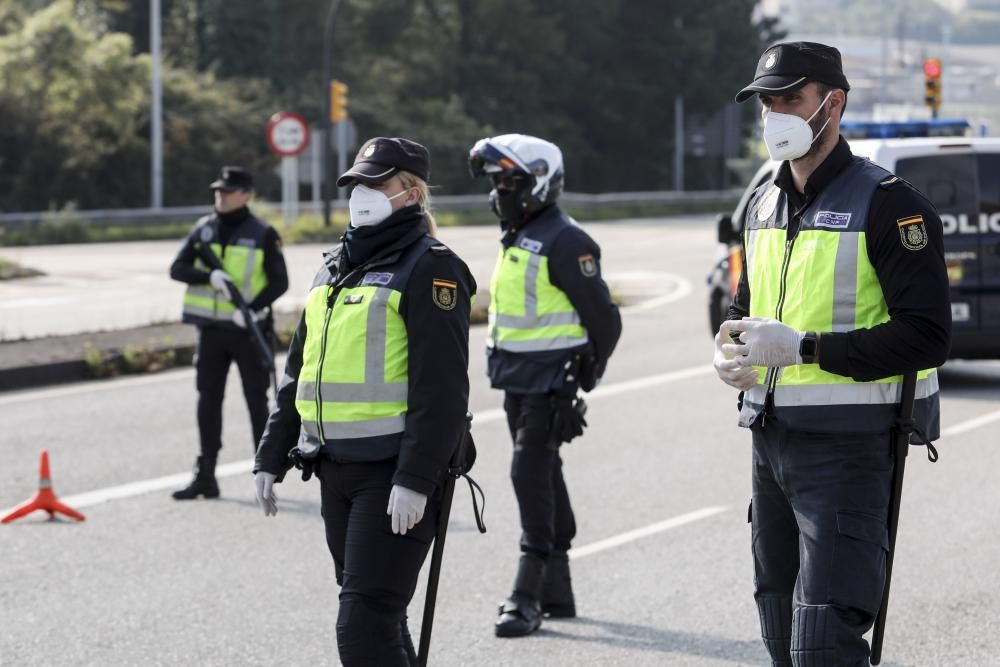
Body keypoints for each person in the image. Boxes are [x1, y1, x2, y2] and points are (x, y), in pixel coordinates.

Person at [714, 42, 951, 666]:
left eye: (790, 98)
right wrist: (729, 344)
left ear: (833, 103)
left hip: (849, 450)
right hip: (770, 440)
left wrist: (804, 349)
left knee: (825, 642)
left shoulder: (892, 204)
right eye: (767, 102)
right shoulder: (763, 202)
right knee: (777, 627)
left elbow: (928, 336)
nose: (775, 114)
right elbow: (747, 305)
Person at [252, 137, 475, 666]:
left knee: (363, 627)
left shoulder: (431, 268)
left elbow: (442, 390)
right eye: (357, 184)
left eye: (378, 183)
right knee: (380, 619)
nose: (362, 194)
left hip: (393, 473)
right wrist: (270, 454)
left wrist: (417, 477)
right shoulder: (332, 267)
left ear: (412, 192)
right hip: (334, 470)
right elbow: (297, 372)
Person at [468, 134, 622, 638]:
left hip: (550, 381)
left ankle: (528, 591)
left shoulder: (565, 239)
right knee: (544, 470)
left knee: (526, 470)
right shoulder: (519, 233)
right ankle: (560, 589)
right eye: (496, 182)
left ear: (539, 181)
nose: (501, 191)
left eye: (510, 180)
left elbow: (604, 319)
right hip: (516, 378)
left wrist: (588, 372)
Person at [169, 166, 288, 500]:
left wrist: (252, 308)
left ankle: (266, 470)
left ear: (246, 194)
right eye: (218, 190)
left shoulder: (263, 233)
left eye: (228, 191)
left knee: (256, 400)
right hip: (211, 331)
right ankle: (206, 473)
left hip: (247, 330)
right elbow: (177, 269)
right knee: (208, 400)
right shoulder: (203, 229)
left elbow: (280, 281)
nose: (220, 195)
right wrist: (208, 278)